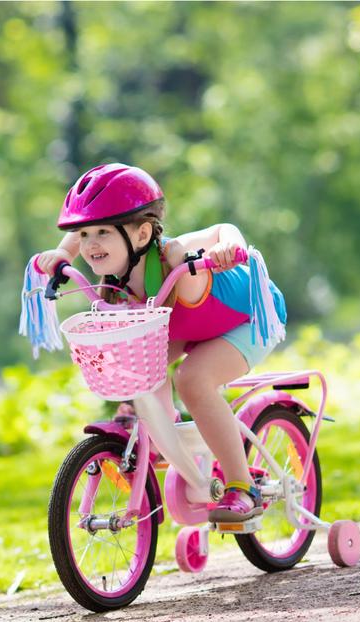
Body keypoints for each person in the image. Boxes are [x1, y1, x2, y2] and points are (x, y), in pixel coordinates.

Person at [35, 163, 287, 523]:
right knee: (130, 362)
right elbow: (76, 239)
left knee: (192, 380)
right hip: (188, 325)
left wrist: (229, 246)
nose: (90, 244)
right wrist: (62, 254)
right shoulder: (115, 277)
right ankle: (159, 428)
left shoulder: (172, 256)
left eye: (103, 232)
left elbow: (220, 230)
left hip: (246, 318)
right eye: (85, 234)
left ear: (141, 235)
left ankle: (242, 485)